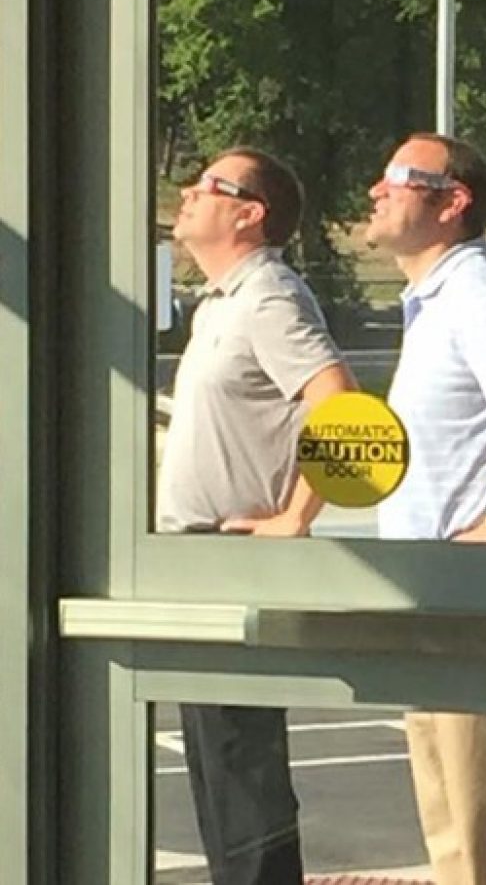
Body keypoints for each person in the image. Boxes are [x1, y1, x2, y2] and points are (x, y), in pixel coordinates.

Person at [157, 146, 356, 885]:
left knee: (242, 774)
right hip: (197, 558)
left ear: (250, 214)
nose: (188, 193)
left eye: (210, 185)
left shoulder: (269, 293)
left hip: (233, 556)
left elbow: (337, 401)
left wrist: (294, 517)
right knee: (219, 769)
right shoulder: (223, 301)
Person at [367, 133, 486, 885]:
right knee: (453, 815)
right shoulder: (435, 301)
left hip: (470, 597)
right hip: (432, 594)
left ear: (454, 202)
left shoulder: (475, 292)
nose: (376, 192)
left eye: (397, 179)